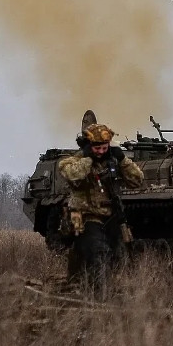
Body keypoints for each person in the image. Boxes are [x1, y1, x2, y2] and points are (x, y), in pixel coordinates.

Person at [58, 121, 144, 288]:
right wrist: (87, 158)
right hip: (86, 216)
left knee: (118, 255)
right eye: (97, 148)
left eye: (104, 148)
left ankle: (109, 290)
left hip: (111, 216)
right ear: (89, 145)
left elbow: (137, 181)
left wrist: (122, 160)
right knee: (98, 252)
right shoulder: (74, 161)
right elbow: (73, 175)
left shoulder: (113, 161)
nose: (101, 152)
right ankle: (98, 294)